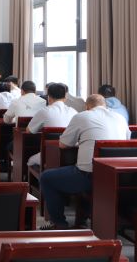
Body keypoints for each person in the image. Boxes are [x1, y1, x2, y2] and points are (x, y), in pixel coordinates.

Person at [40, 94, 131, 230]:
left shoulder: (82, 116)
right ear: (105, 105)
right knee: (85, 170)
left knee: (47, 177)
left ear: (87, 106)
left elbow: (63, 144)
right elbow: (126, 142)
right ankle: (81, 220)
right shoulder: (120, 118)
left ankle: (58, 223)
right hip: (119, 178)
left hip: (90, 177)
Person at [25, 83, 77, 166]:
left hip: (49, 155)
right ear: (65, 98)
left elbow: (29, 130)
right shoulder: (74, 112)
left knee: (30, 161)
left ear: (48, 97)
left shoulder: (44, 111)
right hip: (72, 157)